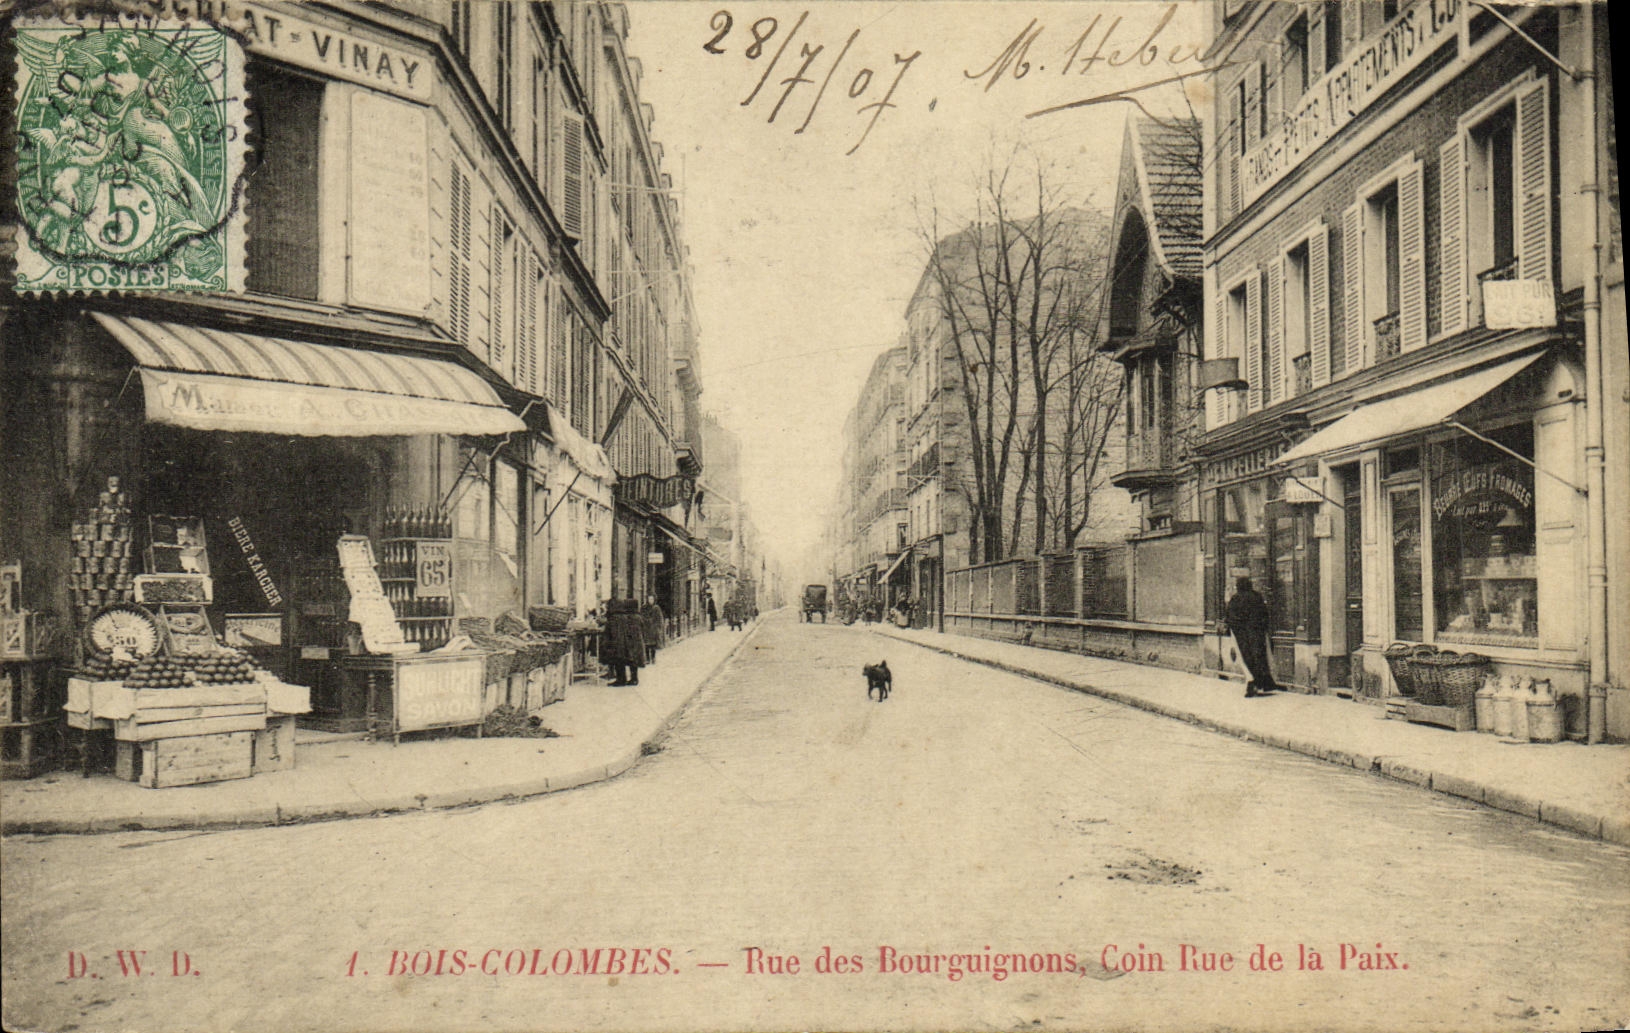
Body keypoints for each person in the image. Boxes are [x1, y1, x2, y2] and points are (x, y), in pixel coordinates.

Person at [1225, 576, 1281, 697]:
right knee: (1260, 657)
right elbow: (1264, 615)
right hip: (1257, 633)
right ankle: (1263, 684)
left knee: (1246, 658)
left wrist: (1236, 630)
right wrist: (1263, 629)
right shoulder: (1256, 597)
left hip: (1242, 635)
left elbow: (1230, 618)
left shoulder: (1235, 599)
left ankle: (1252, 682)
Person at [601, 596, 645, 686]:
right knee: (630, 661)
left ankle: (621, 679)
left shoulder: (614, 618)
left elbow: (611, 632)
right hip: (628, 643)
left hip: (617, 643)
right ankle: (631, 679)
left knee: (618, 661)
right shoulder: (626, 617)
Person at [640, 595, 666, 665]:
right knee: (646, 644)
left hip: (653, 629)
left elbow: (659, 618)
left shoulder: (656, 608)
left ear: (654, 600)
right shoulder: (644, 607)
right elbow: (641, 616)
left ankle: (653, 657)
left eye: (652, 599)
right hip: (646, 628)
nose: (650, 601)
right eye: (649, 599)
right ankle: (647, 658)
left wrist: (659, 627)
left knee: (653, 644)